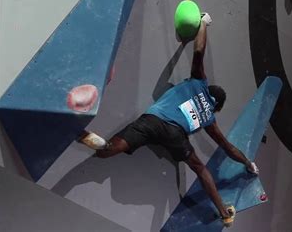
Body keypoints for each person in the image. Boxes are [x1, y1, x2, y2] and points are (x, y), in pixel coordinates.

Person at [78, 13, 258, 227]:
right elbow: (227, 147)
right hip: (175, 136)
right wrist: (248, 163)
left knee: (107, 150)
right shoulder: (209, 118)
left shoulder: (198, 81)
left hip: (153, 120)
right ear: (217, 107)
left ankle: (87, 138)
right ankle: (224, 213)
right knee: (200, 168)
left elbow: (199, 51)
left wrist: (203, 24)